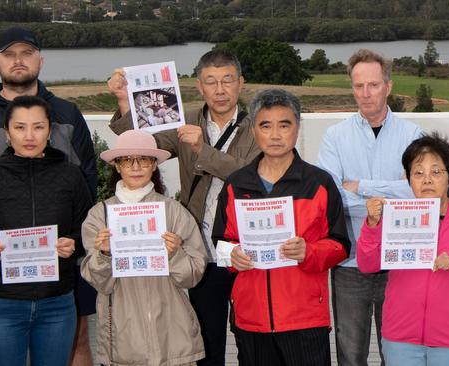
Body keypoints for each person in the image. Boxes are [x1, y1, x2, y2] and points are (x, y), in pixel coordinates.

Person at [107, 49, 260, 366]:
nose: (220, 90)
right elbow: (144, 145)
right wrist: (125, 100)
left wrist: (201, 149)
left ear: (241, 83)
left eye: (227, 80)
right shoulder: (186, 119)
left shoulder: (258, 126)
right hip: (200, 249)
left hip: (246, 249)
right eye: (211, 82)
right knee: (206, 340)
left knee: (252, 338)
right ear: (199, 86)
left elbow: (250, 178)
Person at [0, 26, 97, 366]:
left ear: (40, 58)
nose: (18, 61)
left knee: (78, 341)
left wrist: (75, 241)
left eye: (26, 53)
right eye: (9, 54)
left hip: (61, 271)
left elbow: (86, 181)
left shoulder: (68, 112)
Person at [212, 88, 351, 365]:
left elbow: (340, 245)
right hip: (251, 319)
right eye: (266, 125)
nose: (275, 135)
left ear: (297, 128)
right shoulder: (236, 184)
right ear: (254, 130)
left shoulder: (319, 183)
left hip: (305, 318)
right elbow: (220, 242)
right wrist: (233, 255)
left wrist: (308, 251)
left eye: (284, 125)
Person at [316, 48, 422, 365]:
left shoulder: (412, 135)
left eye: (373, 85)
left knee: (399, 354)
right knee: (350, 355)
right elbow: (332, 198)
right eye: (359, 86)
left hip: (399, 262)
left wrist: (360, 186)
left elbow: (418, 194)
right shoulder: (334, 137)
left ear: (388, 86)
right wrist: (391, 195)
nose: (366, 93)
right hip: (350, 263)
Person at [357, 133, 449, 365]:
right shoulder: (395, 216)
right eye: (418, 173)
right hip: (400, 337)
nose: (427, 179)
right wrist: (372, 224)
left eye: (436, 172)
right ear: (409, 179)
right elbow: (368, 264)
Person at [80, 129, 207, 366]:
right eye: (127, 160)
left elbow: (192, 277)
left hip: (173, 335)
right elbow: (98, 282)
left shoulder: (174, 212)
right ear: (117, 166)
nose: (136, 166)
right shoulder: (100, 215)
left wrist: (175, 254)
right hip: (122, 337)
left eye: (144, 159)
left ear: (154, 165)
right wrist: (105, 254)